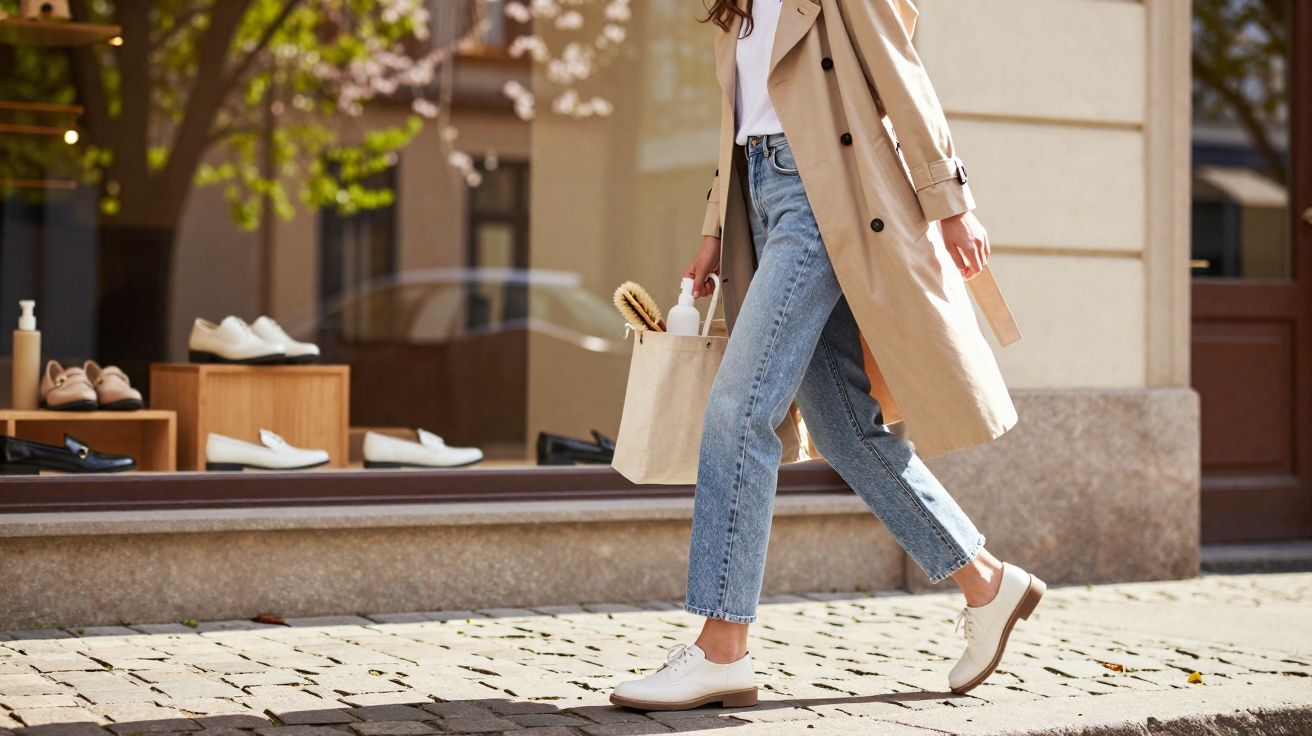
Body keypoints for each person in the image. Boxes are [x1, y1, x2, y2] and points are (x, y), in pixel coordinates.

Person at [609, 0, 1044, 711]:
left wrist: (951, 199)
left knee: (738, 411)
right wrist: (715, 228)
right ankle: (988, 584)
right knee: (843, 427)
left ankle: (722, 648)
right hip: (761, 198)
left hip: (823, 201)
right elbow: (740, 119)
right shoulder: (736, 5)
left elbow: (902, 74)